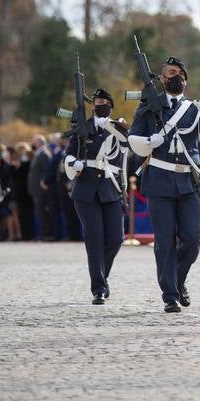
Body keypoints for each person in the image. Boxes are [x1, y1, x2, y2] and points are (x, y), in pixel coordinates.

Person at [129, 56, 200, 313]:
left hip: (188, 181)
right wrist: (149, 143)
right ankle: (170, 294)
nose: (176, 76)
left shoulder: (193, 109)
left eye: (180, 72)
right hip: (159, 180)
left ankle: (178, 280)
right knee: (165, 241)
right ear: (161, 78)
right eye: (170, 72)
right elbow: (134, 138)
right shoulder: (149, 106)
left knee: (193, 238)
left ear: (186, 80)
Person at [65, 89, 128, 303]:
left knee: (116, 239)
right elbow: (69, 154)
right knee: (94, 240)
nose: (100, 104)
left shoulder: (119, 127)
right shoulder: (82, 127)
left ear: (111, 104)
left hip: (111, 188)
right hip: (86, 190)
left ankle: (103, 275)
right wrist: (74, 163)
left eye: (104, 101)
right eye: (97, 101)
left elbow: (129, 149)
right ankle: (98, 288)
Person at [27, 135, 52, 240]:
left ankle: (46, 233)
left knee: (43, 211)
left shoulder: (44, 154)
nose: (33, 144)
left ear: (40, 142)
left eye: (35, 142)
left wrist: (44, 181)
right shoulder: (38, 154)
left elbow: (47, 170)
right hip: (35, 189)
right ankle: (43, 233)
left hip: (41, 189)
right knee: (39, 211)